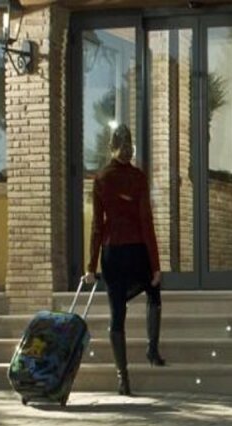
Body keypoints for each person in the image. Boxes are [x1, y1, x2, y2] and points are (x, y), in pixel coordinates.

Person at [83, 124, 165, 397]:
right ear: (129, 148)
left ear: (111, 147)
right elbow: (146, 221)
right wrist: (155, 265)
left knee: (117, 314)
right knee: (154, 292)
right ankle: (152, 349)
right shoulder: (138, 178)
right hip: (137, 250)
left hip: (112, 254)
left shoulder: (101, 178)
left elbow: (97, 226)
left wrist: (91, 266)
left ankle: (123, 378)